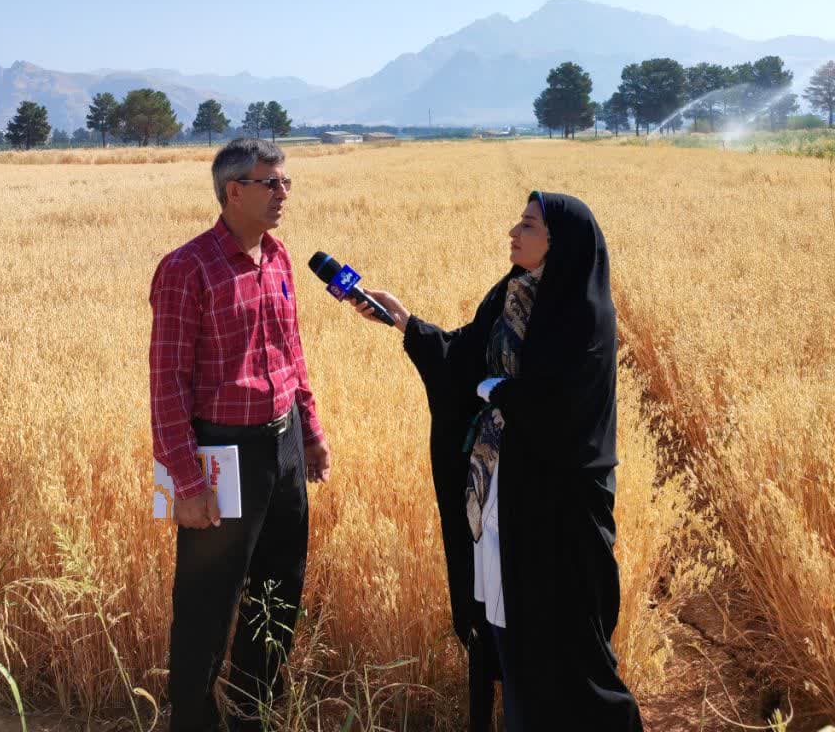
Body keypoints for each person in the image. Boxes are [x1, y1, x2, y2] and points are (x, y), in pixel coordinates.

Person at [349, 191, 643, 732]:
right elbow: (464, 357)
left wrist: (500, 392)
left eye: (528, 225)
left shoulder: (583, 313)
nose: (513, 232)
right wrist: (404, 322)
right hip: (502, 495)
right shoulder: (510, 295)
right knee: (507, 629)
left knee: (569, 641)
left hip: (560, 512)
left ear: (559, 242)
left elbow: (562, 408)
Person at [149, 138, 331, 732]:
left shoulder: (277, 257)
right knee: (207, 603)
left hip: (282, 444)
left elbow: (291, 352)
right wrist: (186, 482)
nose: (284, 193)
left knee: (278, 590)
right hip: (222, 450)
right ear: (233, 191)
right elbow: (167, 384)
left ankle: (255, 715)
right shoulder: (187, 269)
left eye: (285, 181)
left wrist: (310, 431)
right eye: (270, 182)